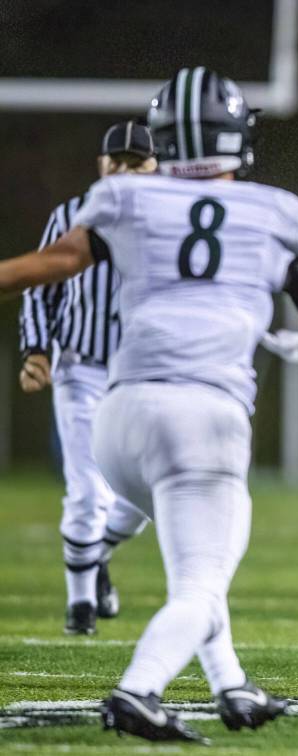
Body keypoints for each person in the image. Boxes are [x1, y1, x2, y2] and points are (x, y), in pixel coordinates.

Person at [0, 67, 298, 742]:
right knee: (201, 576)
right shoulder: (275, 212)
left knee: (195, 556)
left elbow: (50, 264)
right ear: (238, 138)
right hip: (202, 420)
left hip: (120, 417)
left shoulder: (127, 198)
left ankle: (232, 688)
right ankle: (138, 690)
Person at [18, 122, 155, 636]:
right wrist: (36, 348)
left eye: (134, 161)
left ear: (154, 166)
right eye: (114, 160)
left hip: (143, 375)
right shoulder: (70, 216)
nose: (121, 170)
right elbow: (38, 286)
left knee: (144, 493)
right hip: (81, 368)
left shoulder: (168, 221)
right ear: (101, 164)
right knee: (86, 491)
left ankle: (93, 559)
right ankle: (80, 609)